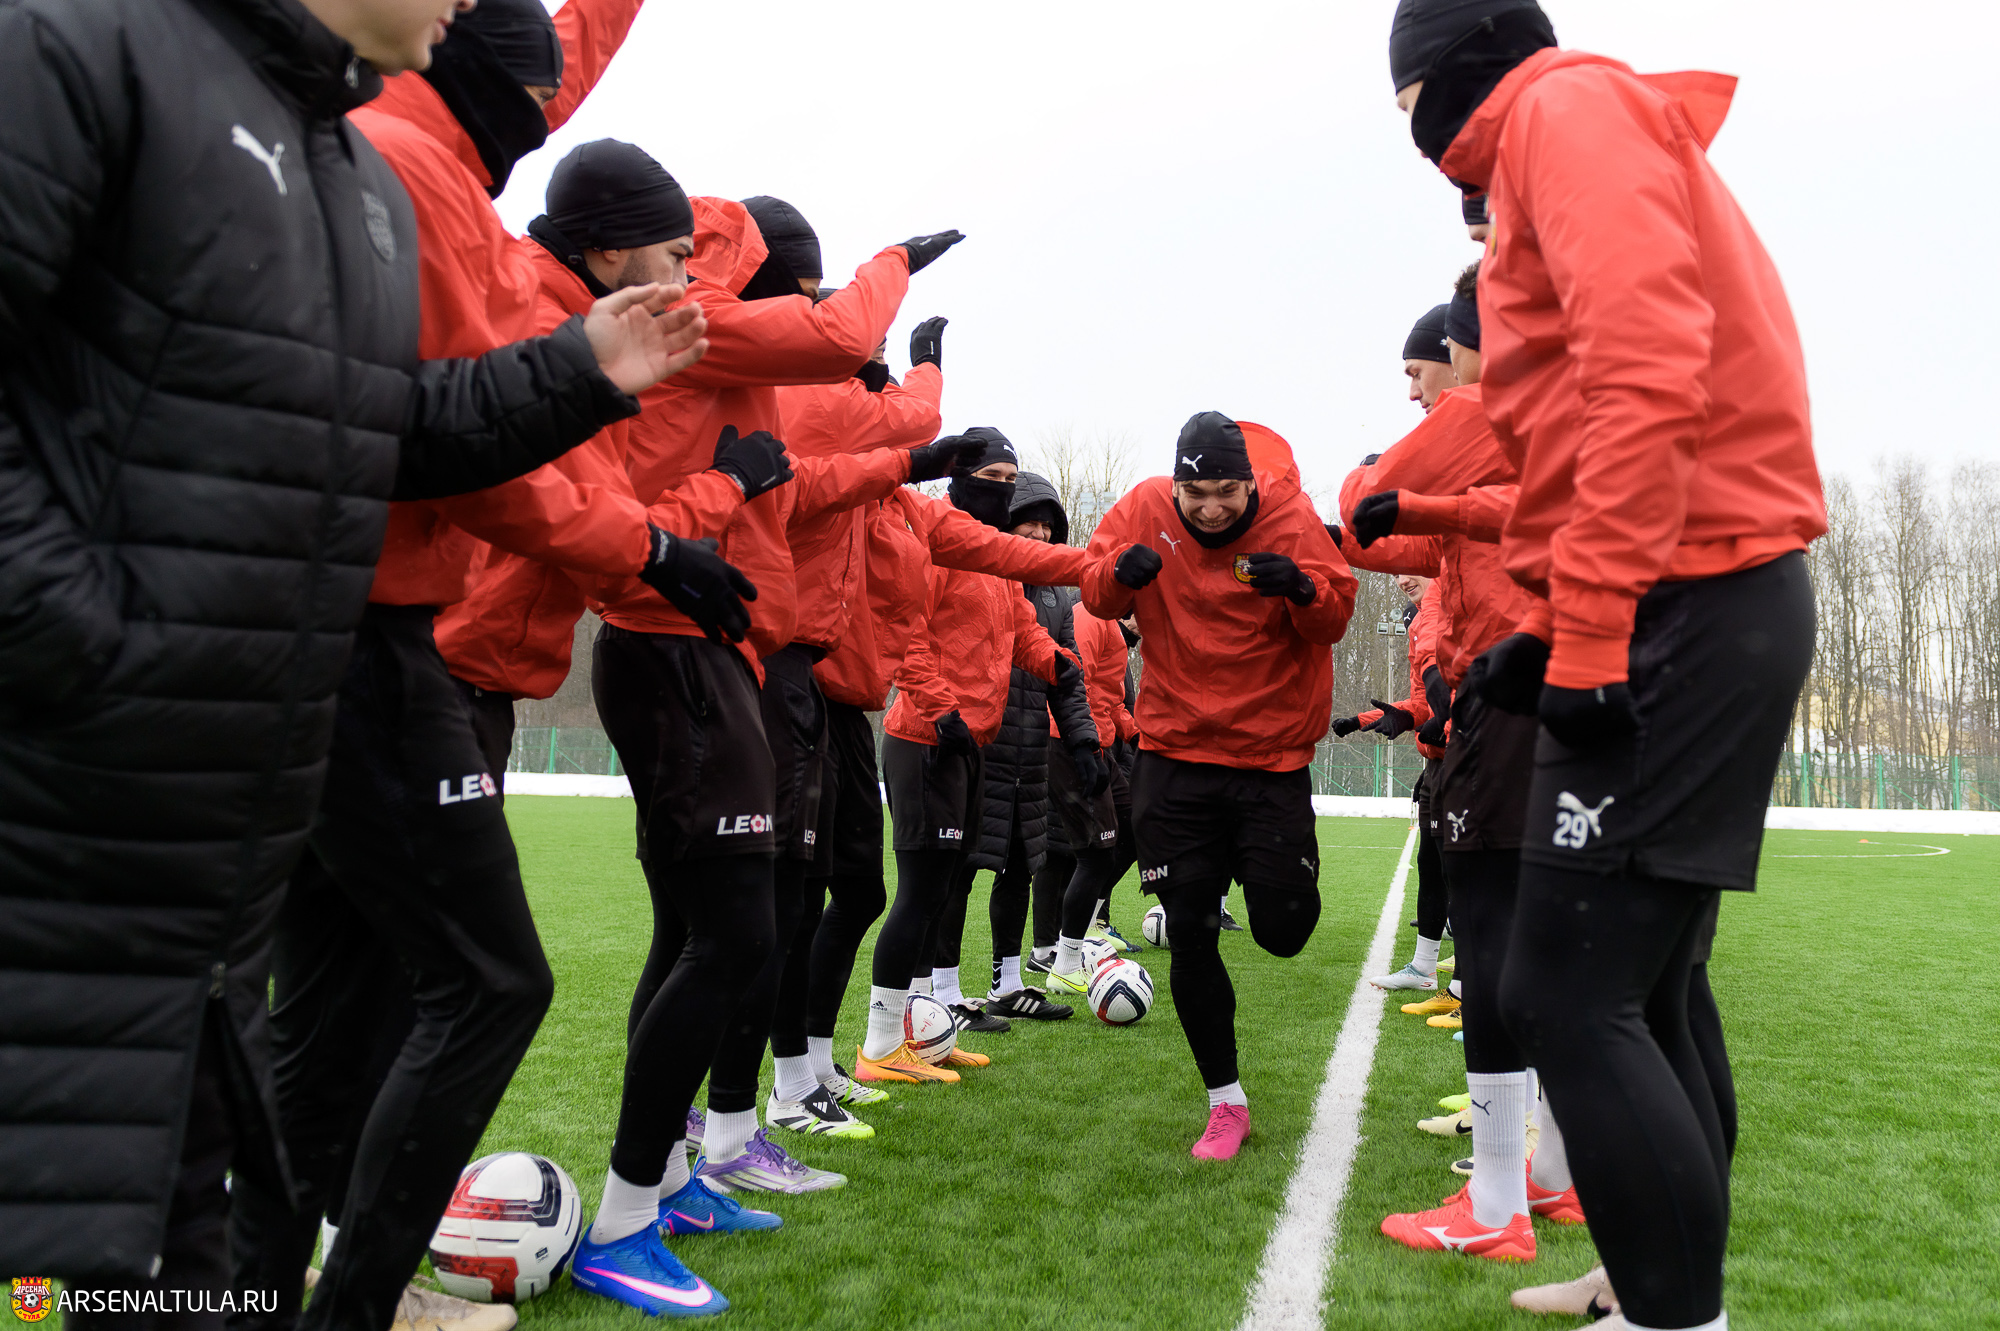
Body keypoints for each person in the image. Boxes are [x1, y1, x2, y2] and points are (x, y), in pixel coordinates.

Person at [0, 0, 708, 1297]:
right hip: (139, 744)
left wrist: (578, 369)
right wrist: (88, 645)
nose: (462, 6)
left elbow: (381, 422)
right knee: (129, 1205)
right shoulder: (86, 49)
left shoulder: (344, 163)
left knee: (215, 1162)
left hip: (259, 746)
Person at [230, 12, 733, 1328]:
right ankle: (356, 1303)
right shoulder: (410, 170)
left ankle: (280, 1295)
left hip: (342, 627)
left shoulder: (422, 158)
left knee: (328, 1018)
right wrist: (654, 538)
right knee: (486, 981)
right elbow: (457, 441)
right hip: (380, 639)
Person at [1390, 3, 1825, 1325]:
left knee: (1566, 989)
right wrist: (1548, 620)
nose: (1413, 141)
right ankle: (1650, 1282)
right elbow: (1592, 411)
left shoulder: (1560, 110)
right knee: (1650, 984)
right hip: (1689, 589)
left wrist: (1586, 628)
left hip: (1683, 598)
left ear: (1446, 74)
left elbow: (1644, 367)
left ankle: (1670, 1312)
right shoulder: (1571, 123)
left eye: (1404, 107)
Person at [568, 191, 962, 1307]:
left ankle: (670, 1177)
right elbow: (838, 344)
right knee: (738, 929)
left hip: (708, 651)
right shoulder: (706, 323)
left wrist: (903, 443)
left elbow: (812, 467)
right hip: (681, 651)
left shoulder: (723, 367)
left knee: (705, 929)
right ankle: (629, 1213)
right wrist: (896, 268)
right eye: (798, 283)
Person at [1081, 412, 1356, 1160]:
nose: (1209, 508)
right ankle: (1225, 1102)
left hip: (1269, 761)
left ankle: (1256, 871)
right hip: (1175, 758)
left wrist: (1302, 586)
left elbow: (1333, 618)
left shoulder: (1291, 515)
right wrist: (1117, 574)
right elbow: (1094, 593)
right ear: (1175, 485)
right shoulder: (1143, 506)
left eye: (1226, 492)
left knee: (1283, 931)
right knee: (1191, 930)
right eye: (1195, 493)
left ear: (1249, 483)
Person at [853, 432, 1096, 1083]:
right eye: (991, 476)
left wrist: (1058, 665)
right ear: (960, 476)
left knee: (941, 894)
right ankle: (880, 1046)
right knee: (919, 894)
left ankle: (922, 1031)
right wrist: (941, 708)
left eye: (1011, 479)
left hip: (971, 744)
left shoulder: (996, 559)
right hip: (926, 739)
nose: (1002, 490)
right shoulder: (930, 545)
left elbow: (1022, 633)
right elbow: (906, 635)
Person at [759, 320, 949, 1131]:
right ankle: (775, 1088)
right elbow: (904, 426)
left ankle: (811, 1062)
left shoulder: (894, 502)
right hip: (798, 681)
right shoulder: (817, 437)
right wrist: (926, 372)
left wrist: (1088, 567)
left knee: (852, 891)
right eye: (864, 355)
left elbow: (986, 545)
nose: (877, 375)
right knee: (781, 902)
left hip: (844, 703)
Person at [949, 472, 1101, 1026]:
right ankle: (943, 992)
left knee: (1020, 866)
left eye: (1047, 525)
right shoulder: (979, 573)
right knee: (958, 870)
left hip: (1031, 749)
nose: (1039, 533)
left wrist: (1083, 740)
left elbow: (1067, 675)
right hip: (976, 743)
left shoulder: (1058, 598)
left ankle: (1008, 983)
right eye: (1029, 522)